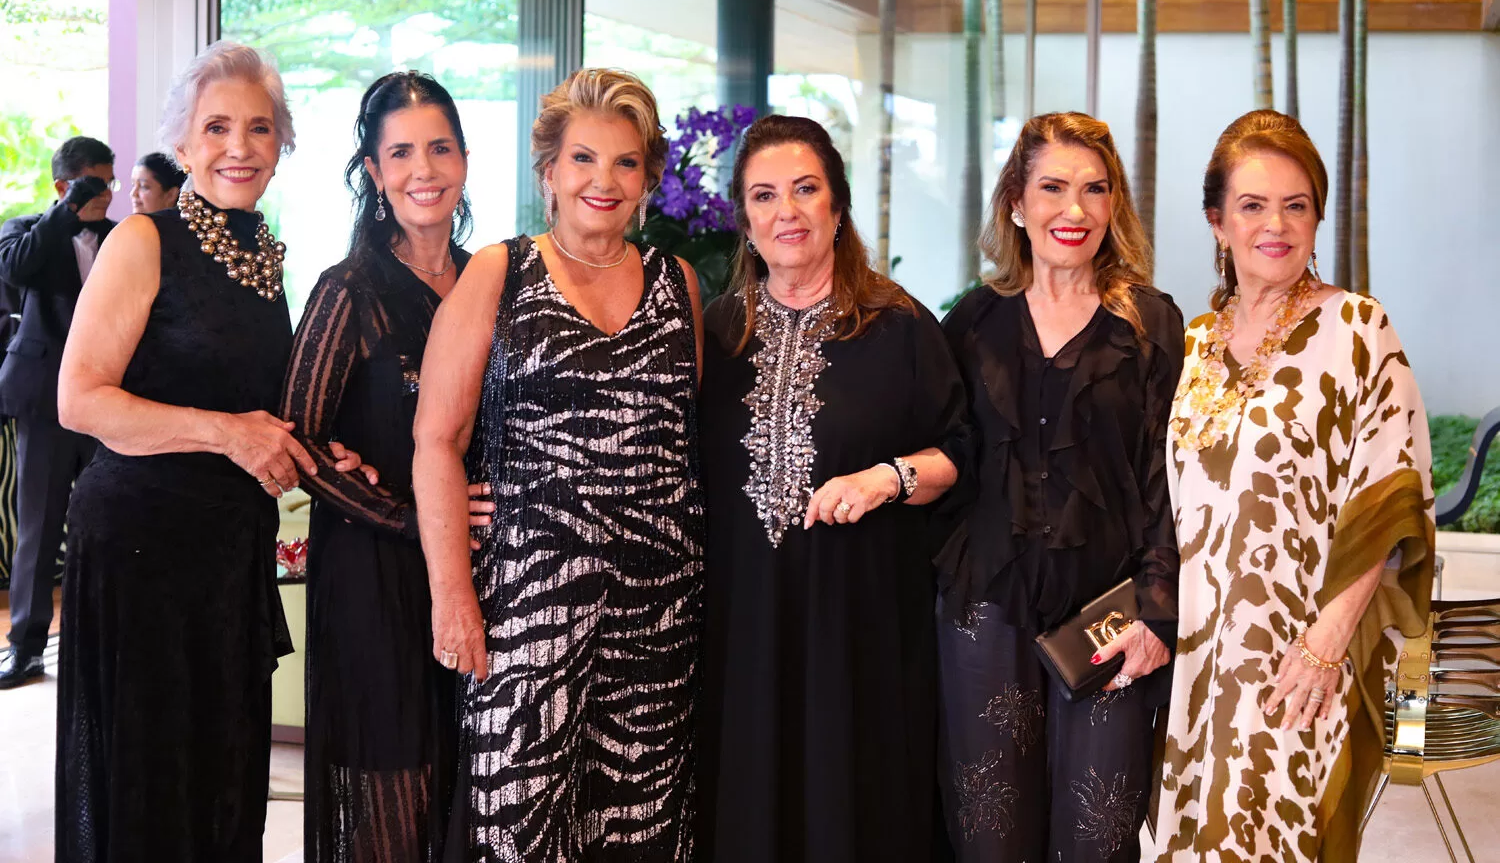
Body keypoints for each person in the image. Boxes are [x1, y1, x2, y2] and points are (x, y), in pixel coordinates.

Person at [52, 40, 364, 861]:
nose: (239, 147)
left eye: (259, 128)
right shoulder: (144, 239)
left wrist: (327, 450)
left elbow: (254, 402)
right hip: (142, 552)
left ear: (281, 144)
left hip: (227, 553)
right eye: (216, 127)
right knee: (155, 790)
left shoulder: (262, 255)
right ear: (182, 146)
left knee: (223, 785)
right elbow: (79, 401)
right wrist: (229, 434)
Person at [413, 67, 703, 861]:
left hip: (659, 617)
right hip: (528, 611)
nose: (602, 181)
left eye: (625, 162)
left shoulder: (677, 284)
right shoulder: (500, 271)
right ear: (548, 171)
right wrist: (453, 596)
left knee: (641, 822)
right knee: (518, 821)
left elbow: (690, 446)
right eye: (582, 159)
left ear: (648, 178)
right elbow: (436, 440)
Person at [1151, 111, 1434, 863]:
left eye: (1296, 205)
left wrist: (1325, 645)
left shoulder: (1358, 329)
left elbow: (1392, 499)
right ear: (1217, 222)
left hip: (1300, 658)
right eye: (1252, 205)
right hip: (1196, 663)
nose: (1275, 225)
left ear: (1316, 217)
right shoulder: (1190, 344)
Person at [695, 114, 968, 863]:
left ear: (837, 206)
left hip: (862, 632)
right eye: (764, 196)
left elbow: (958, 454)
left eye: (805, 189)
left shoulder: (899, 326)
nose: (786, 211)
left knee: (854, 809)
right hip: (743, 633)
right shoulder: (716, 333)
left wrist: (887, 478)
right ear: (744, 218)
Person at [934, 112, 1181, 863]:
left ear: (1114, 205)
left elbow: (1170, 477)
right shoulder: (973, 322)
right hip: (986, 607)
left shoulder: (1150, 323)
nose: (1074, 210)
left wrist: (1159, 610)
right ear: (1016, 202)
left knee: (1097, 835)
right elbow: (946, 455)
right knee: (990, 835)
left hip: (1111, 615)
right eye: (1052, 188)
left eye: (1094, 189)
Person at [282, 71, 490, 862]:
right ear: (373, 171)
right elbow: (299, 442)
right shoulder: (349, 291)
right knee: (394, 804)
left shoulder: (491, 282)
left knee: (469, 794)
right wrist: (413, 518)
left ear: (464, 159)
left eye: (440, 148)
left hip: (482, 574)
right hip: (375, 576)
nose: (423, 170)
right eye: (400, 153)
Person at [0, 135, 115, 689]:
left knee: (108, 524)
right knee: (40, 528)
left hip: (109, 405)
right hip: (46, 402)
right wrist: (66, 213)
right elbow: (15, 270)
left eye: (110, 182)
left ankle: (100, 643)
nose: (106, 193)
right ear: (64, 186)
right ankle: (25, 648)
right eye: (95, 183)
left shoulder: (122, 238)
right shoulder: (26, 230)